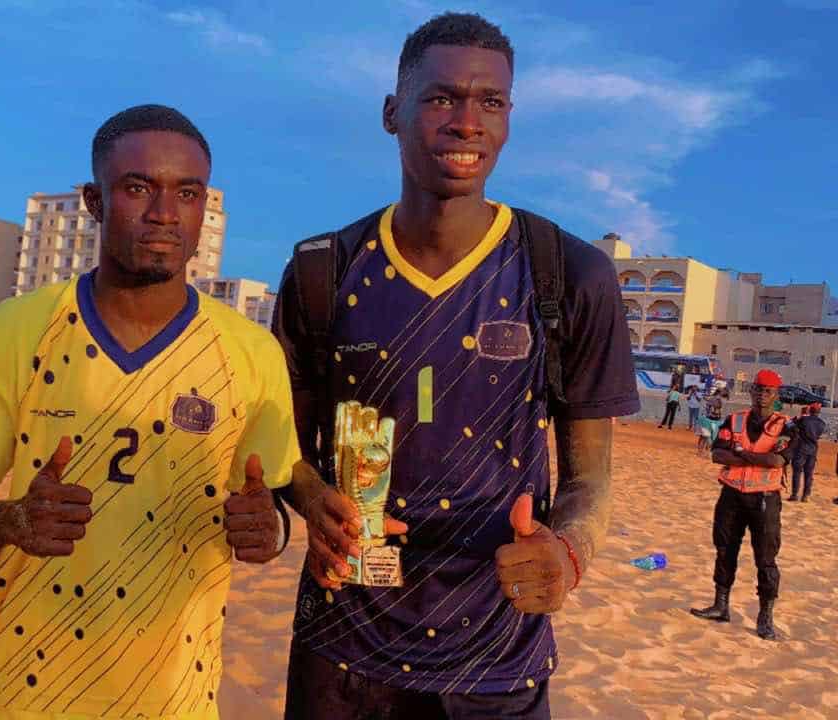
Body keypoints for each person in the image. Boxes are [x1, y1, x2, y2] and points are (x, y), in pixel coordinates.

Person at [271, 13, 639, 719]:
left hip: (498, 658)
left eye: (491, 103)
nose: (467, 122)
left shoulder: (569, 275)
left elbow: (590, 478)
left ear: (507, 119)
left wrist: (567, 552)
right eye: (441, 97)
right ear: (392, 112)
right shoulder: (323, 271)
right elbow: (286, 448)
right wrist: (310, 500)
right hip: (341, 648)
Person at [0, 104, 301, 720]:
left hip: (177, 697)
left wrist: (271, 532)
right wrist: (13, 521)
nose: (164, 213)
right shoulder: (19, 329)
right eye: (139, 188)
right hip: (24, 694)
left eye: (188, 194)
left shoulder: (251, 352)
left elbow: (271, 510)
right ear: (94, 201)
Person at [691, 369, 792, 640]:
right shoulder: (734, 420)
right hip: (732, 495)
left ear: (776, 395)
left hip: (765, 500)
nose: (762, 395)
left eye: (768, 391)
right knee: (724, 550)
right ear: (751, 391)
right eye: (758, 389)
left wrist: (739, 453)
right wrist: (755, 456)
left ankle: (765, 617)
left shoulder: (786, 426)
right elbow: (716, 455)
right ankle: (721, 605)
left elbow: (777, 461)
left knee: (766, 559)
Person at [787, 403, 825, 502]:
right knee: (809, 474)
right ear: (819, 412)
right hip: (813, 450)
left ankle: (794, 495)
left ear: (810, 410)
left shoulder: (803, 420)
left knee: (797, 472)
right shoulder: (822, 423)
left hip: (801, 449)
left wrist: (797, 418)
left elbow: (789, 425)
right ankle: (806, 496)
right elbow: (818, 435)